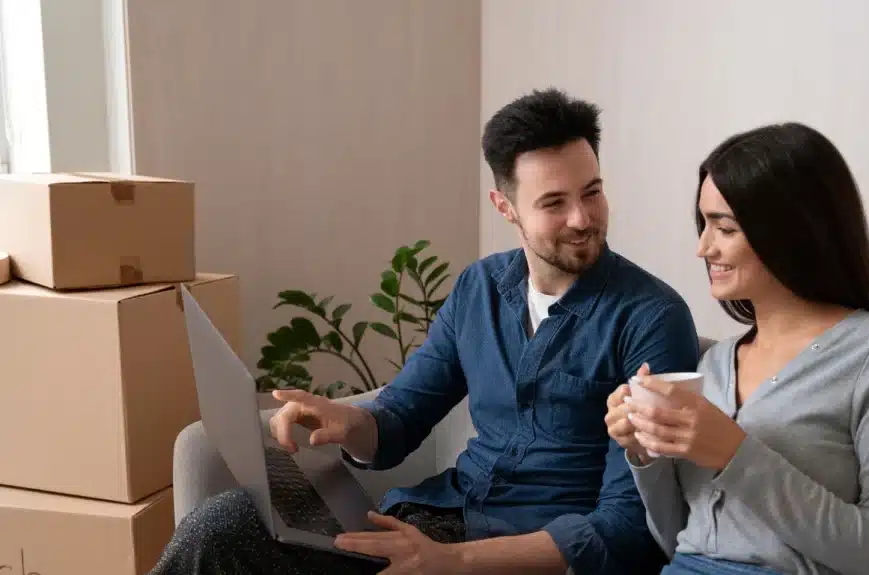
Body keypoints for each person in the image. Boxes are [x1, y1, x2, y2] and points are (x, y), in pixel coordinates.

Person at [148, 88, 700, 575]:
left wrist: (452, 563)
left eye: (592, 191)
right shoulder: (479, 288)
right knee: (226, 525)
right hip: (435, 522)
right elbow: (399, 421)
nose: (583, 217)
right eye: (554, 202)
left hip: (524, 556)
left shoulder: (652, 318)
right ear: (504, 206)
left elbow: (629, 525)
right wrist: (353, 421)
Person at [605, 122, 869, 575]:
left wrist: (735, 454)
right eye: (703, 224)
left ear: (790, 231)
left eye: (724, 228)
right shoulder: (717, 363)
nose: (703, 248)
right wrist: (646, 453)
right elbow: (675, 538)